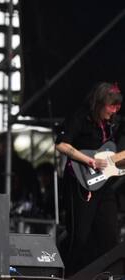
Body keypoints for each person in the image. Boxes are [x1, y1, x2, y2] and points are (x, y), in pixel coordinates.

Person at [55, 82, 122, 276]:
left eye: (118, 106)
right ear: (100, 103)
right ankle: (68, 275)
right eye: (112, 105)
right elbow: (61, 144)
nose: (115, 110)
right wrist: (89, 161)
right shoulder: (80, 117)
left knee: (110, 235)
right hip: (80, 183)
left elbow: (111, 157)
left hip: (103, 185)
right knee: (80, 237)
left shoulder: (110, 125)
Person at [0, 132, 39, 214]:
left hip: (21, 211)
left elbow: (34, 189)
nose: (6, 150)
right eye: (4, 146)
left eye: (9, 146)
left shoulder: (25, 167)